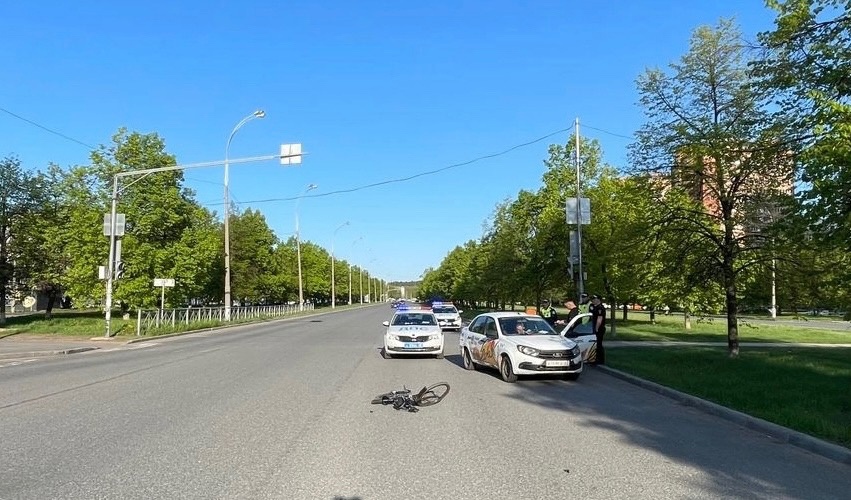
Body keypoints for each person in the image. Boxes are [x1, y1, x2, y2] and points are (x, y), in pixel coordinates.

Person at [589, 294, 607, 365]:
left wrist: (596, 329)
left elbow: (599, 319)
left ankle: (600, 360)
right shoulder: (594, 307)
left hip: (599, 328)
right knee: (595, 344)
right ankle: (594, 359)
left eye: (594, 299)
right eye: (592, 299)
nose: (593, 300)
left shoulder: (600, 308)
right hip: (594, 328)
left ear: (598, 299)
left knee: (598, 344)